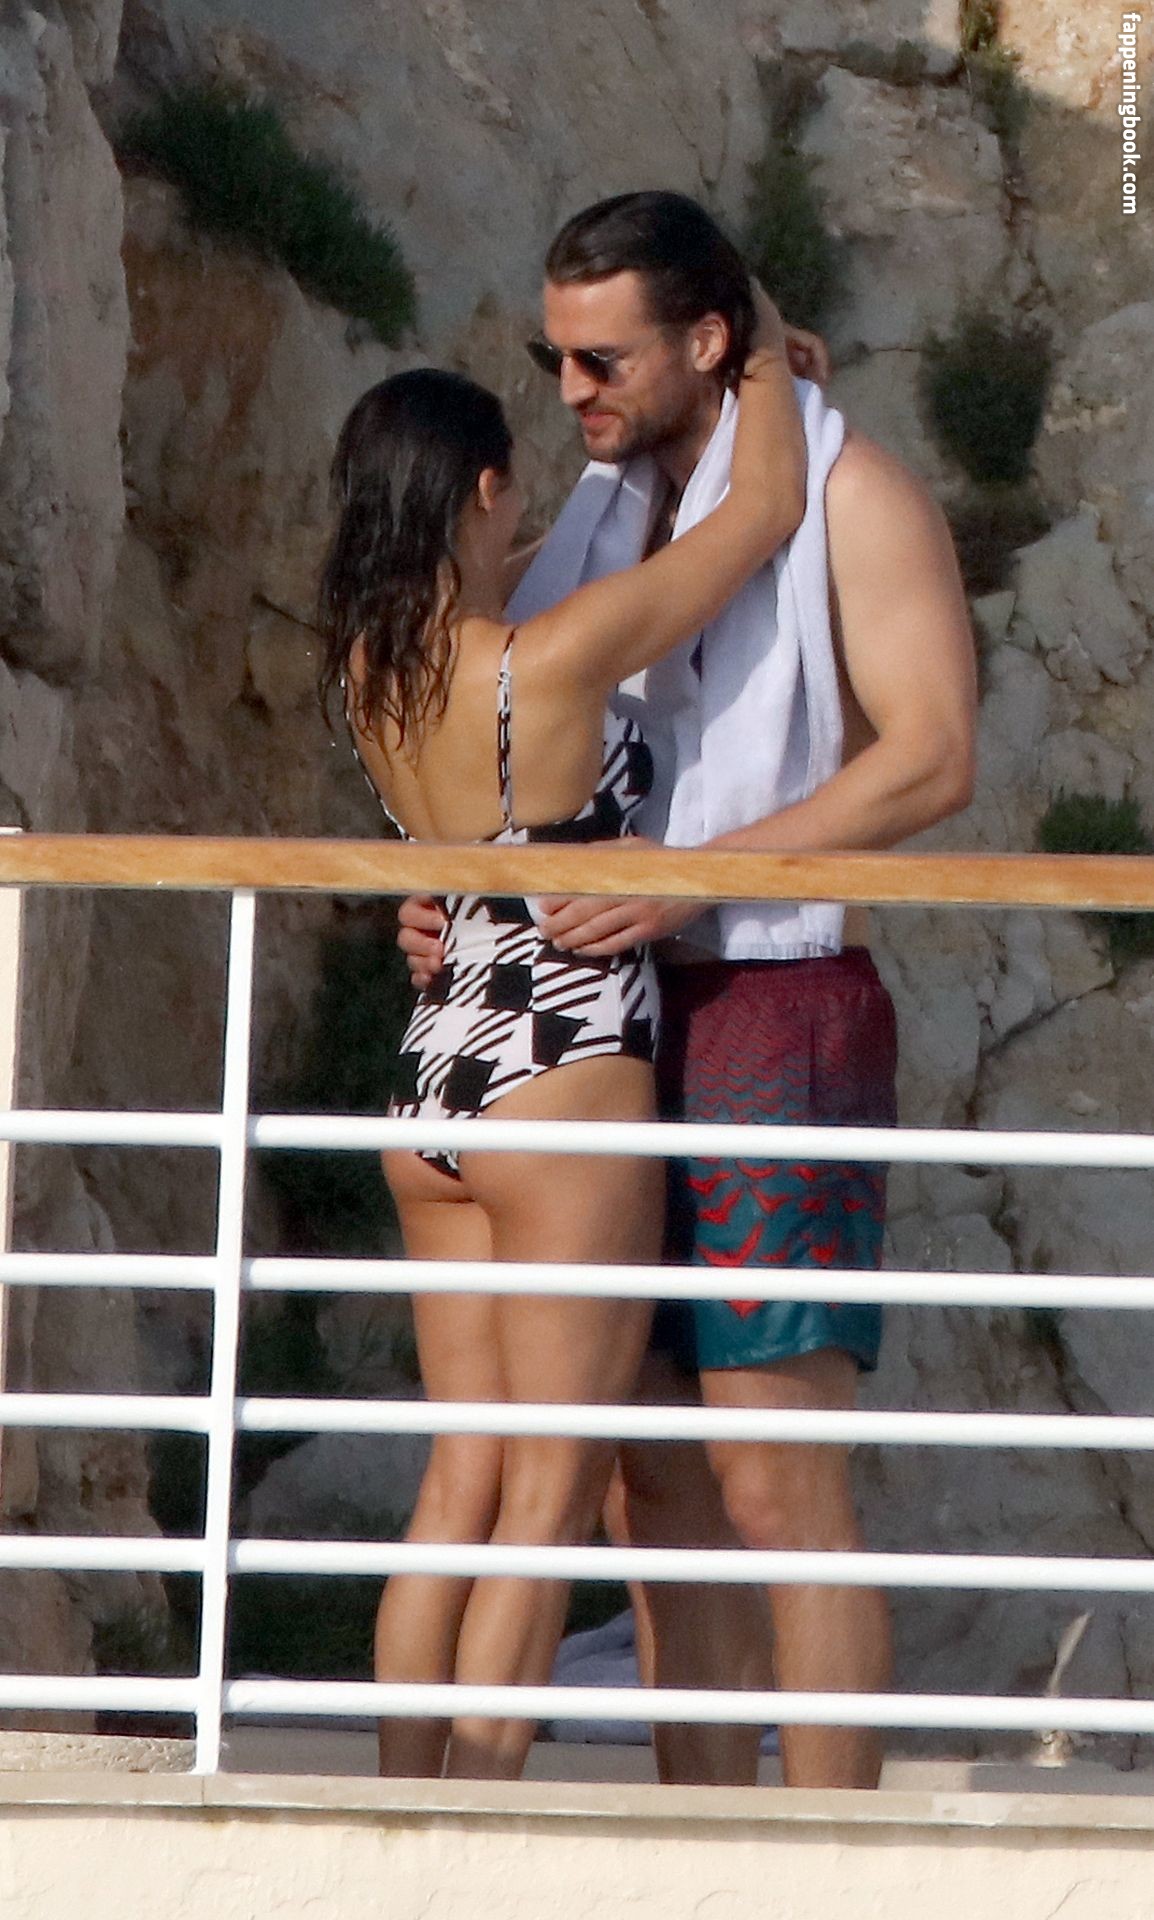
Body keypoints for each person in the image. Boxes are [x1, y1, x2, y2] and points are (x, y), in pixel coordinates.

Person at [399, 190, 978, 1790]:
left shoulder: (854, 492)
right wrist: (444, 890)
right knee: (641, 1483)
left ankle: (827, 1873)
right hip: (594, 1023)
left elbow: (932, 757)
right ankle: (699, 1845)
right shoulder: (600, 513)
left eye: (603, 359)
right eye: (554, 357)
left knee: (773, 1475)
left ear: (708, 339)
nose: (569, 390)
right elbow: (501, 738)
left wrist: (697, 876)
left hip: (773, 1007)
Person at [318, 279, 808, 1781]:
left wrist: (606, 482)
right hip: (563, 1069)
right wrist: (760, 359)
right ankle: (476, 1814)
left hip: (435, 1077)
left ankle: (404, 1808)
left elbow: (542, 569)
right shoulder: (550, 660)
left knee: (458, 1482)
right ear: (483, 490)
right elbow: (761, 517)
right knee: (549, 1487)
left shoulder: (373, 670)